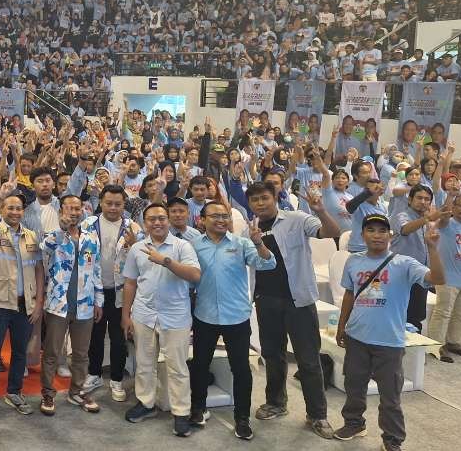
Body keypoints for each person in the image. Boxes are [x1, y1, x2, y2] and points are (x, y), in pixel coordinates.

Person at [333, 214, 446, 451]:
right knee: (354, 385)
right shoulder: (353, 261)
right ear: (362, 235)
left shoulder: (404, 263)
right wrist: (341, 326)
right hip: (356, 337)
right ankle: (354, 423)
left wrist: (433, 249)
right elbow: (349, 294)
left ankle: (392, 439)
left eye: (382, 231)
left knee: (390, 396)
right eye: (371, 230)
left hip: (389, 341)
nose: (377, 235)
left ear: (390, 235)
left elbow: (437, 278)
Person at [246, 181, 341, 439]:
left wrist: (320, 210)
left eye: (264, 198)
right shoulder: (249, 230)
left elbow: (332, 231)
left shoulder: (297, 219)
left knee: (308, 359)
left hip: (298, 300)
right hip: (266, 300)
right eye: (254, 200)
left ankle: (317, 415)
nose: (260, 203)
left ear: (275, 197)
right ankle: (276, 402)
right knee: (273, 355)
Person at [189, 201, 276, 440]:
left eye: (224, 216)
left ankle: (242, 417)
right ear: (202, 220)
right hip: (204, 315)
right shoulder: (194, 246)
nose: (220, 219)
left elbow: (268, 263)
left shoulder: (242, 243)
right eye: (214, 215)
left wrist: (259, 242)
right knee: (199, 364)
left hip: (236, 316)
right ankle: (198, 408)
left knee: (240, 369)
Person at [122, 202, 202, 437]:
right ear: (145, 223)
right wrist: (125, 315)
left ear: (168, 221)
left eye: (161, 218)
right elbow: (130, 282)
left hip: (175, 316)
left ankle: (181, 413)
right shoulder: (137, 248)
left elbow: (195, 275)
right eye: (152, 219)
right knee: (144, 363)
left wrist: (165, 260)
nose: (157, 222)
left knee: (177, 367)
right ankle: (146, 404)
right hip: (144, 315)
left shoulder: (182, 246)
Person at [0, 180, 44, 418]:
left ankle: (14, 392)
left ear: (23, 212)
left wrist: (38, 303)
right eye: (10, 207)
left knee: (19, 353)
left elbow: (38, 270)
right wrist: (0, 197)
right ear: (3, 210)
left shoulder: (31, 236)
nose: (15, 212)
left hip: (24, 304)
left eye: (18, 208)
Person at [40, 194, 103, 415]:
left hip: (85, 305)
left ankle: (77, 391)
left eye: (77, 209)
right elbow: (43, 249)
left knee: (81, 353)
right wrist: (61, 231)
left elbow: (96, 271)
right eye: (69, 209)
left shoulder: (91, 238)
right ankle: (48, 392)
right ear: (61, 211)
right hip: (58, 304)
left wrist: (98, 300)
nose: (74, 212)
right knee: (51, 352)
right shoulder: (54, 236)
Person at [85, 185, 140, 403]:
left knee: (119, 338)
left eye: (118, 204)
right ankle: (94, 373)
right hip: (94, 290)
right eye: (109, 203)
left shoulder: (132, 227)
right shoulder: (88, 225)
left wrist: (134, 244)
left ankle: (117, 379)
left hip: (121, 292)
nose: (113, 208)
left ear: (124, 205)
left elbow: (142, 258)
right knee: (95, 335)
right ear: (100, 202)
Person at [427, 193, 461, 362]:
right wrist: (450, 195)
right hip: (447, 278)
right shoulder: (446, 224)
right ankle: (435, 346)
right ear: (454, 208)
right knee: (443, 313)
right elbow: (442, 219)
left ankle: (454, 343)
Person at [389, 185, 442, 333]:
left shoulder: (426, 222)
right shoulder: (400, 215)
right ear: (410, 199)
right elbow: (405, 229)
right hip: (401, 275)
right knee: (400, 315)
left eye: (427, 199)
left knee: (416, 317)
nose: (423, 202)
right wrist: (427, 219)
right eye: (419, 198)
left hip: (421, 274)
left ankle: (414, 352)